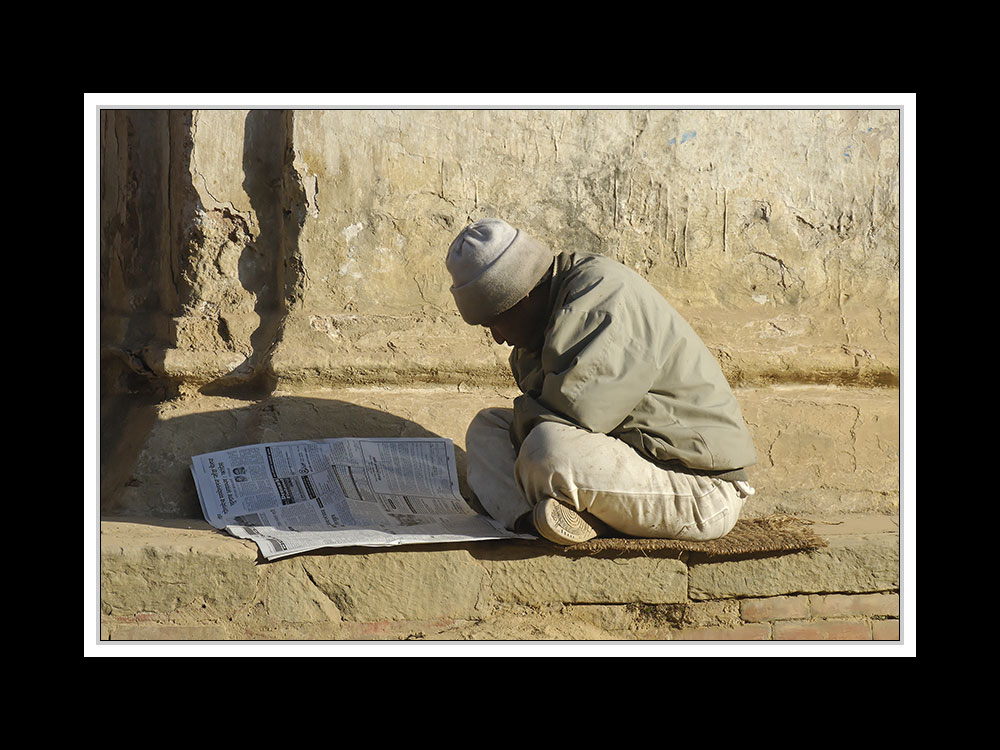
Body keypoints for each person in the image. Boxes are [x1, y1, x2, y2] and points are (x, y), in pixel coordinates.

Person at [446, 218, 758, 545]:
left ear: (522, 297)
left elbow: (573, 416)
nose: (497, 339)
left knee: (548, 448)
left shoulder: (603, 295)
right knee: (487, 427)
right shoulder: (542, 319)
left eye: (496, 323)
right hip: (633, 466)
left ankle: (567, 516)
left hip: (698, 490)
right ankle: (532, 522)